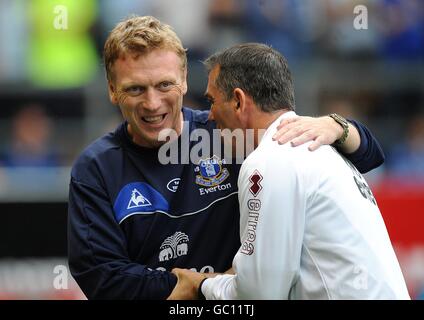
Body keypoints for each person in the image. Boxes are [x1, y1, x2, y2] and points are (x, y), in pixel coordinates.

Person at [68, 16, 385, 300]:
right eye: (135, 89)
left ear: (184, 80)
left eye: (164, 84)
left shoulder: (228, 131)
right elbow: (103, 279)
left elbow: (368, 156)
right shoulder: (96, 168)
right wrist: (199, 286)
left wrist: (337, 126)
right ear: (111, 89)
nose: (152, 103)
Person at [169, 43, 409, 299]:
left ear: (238, 101)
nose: (210, 115)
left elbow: (260, 295)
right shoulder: (323, 150)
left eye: (212, 100)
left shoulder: (270, 161)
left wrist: (200, 284)